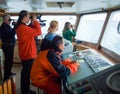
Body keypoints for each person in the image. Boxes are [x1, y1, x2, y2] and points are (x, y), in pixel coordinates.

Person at [15, 10, 42, 94]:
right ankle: (25, 91)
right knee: (26, 74)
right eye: (28, 16)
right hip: (28, 55)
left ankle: (25, 89)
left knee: (25, 73)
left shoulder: (21, 27)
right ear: (25, 17)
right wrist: (36, 21)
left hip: (25, 53)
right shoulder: (23, 28)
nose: (29, 17)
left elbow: (32, 30)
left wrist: (33, 22)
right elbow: (38, 32)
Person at [0, 14, 16, 81]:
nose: (10, 20)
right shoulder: (4, 27)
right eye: (9, 19)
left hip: (9, 45)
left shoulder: (7, 26)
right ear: (6, 19)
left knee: (10, 61)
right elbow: (10, 35)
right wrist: (15, 27)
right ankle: (6, 76)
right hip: (7, 46)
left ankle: (8, 72)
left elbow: (11, 33)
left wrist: (13, 28)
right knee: (8, 61)